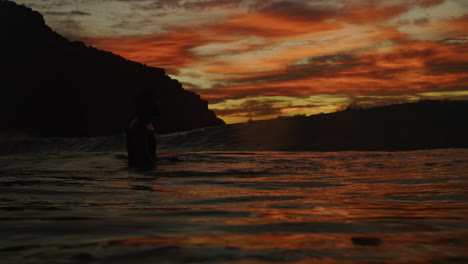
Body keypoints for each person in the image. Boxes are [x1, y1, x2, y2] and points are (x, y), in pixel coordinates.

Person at [126, 91, 159, 169]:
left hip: (144, 173)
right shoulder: (139, 126)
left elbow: (150, 156)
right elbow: (143, 158)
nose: (158, 106)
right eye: (156, 103)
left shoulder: (148, 124)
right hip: (142, 173)